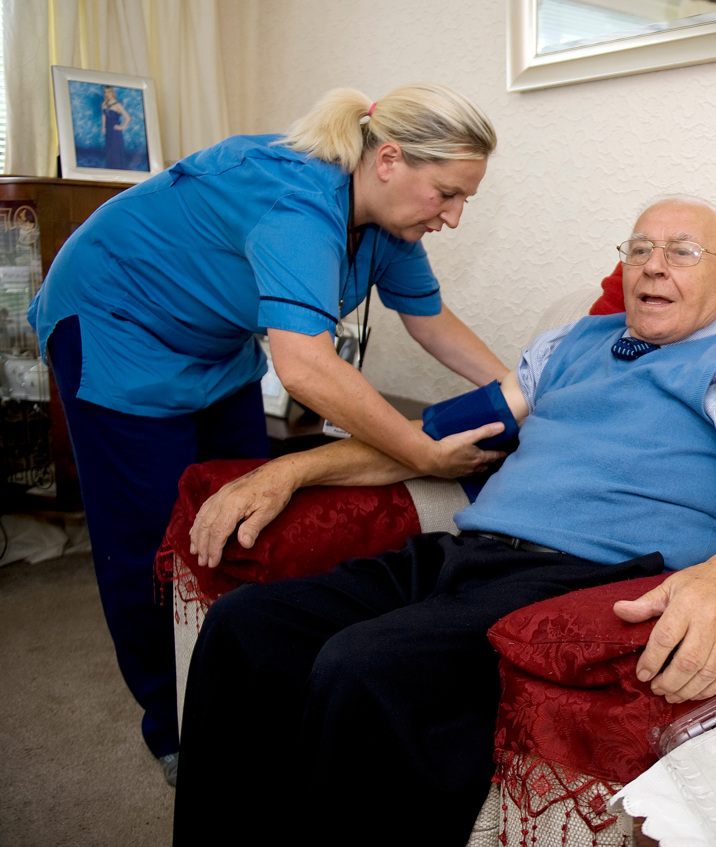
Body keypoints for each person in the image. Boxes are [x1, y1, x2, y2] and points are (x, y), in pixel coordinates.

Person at [173, 195, 716, 845]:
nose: (652, 264)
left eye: (681, 251)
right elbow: (436, 436)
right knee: (247, 628)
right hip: (461, 556)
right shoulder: (571, 344)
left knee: (362, 667)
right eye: (640, 247)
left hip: (572, 584)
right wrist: (290, 470)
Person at [27, 83, 509, 786]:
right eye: (447, 193)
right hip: (115, 318)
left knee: (247, 517)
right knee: (150, 541)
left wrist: (520, 394)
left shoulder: (388, 224)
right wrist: (419, 451)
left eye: (467, 198)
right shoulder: (297, 202)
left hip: (215, 342)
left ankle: (234, 678)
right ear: (390, 161)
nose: (456, 216)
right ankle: (172, 724)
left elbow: (431, 322)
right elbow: (308, 367)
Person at [101, 86, 131, 169]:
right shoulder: (104, 104)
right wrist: (103, 127)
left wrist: (122, 127)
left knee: (116, 148)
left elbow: (128, 117)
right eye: (105, 92)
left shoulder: (118, 105)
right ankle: (111, 167)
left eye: (109, 92)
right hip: (108, 129)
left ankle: (118, 167)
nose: (107, 94)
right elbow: (104, 116)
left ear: (112, 93)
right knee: (109, 148)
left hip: (115, 130)